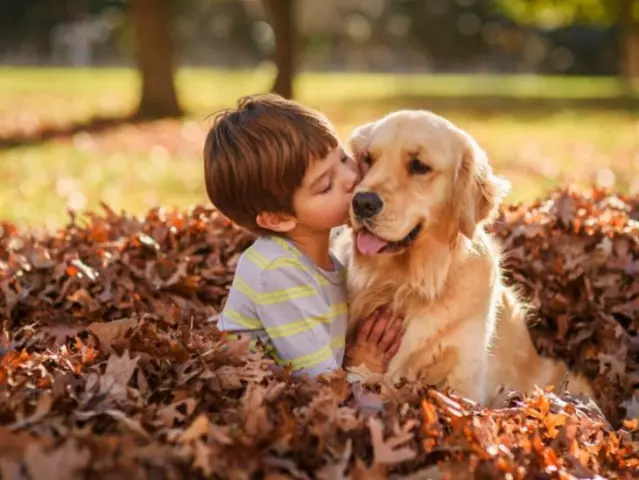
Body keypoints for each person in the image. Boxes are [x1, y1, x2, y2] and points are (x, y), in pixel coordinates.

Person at [203, 93, 402, 378]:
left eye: (343, 158)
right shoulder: (279, 273)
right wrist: (363, 367)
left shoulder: (325, 261)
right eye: (325, 185)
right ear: (278, 218)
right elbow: (321, 385)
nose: (350, 178)